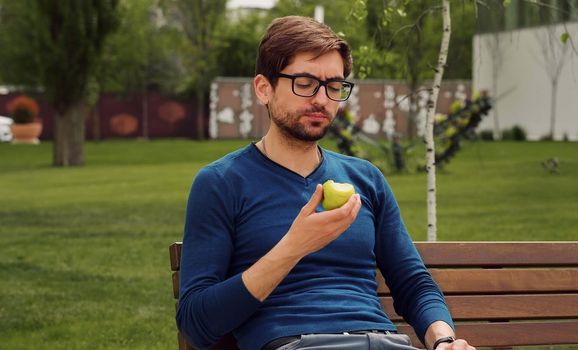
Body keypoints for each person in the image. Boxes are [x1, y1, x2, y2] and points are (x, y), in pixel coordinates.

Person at [177, 16, 475, 350]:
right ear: (264, 88)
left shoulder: (366, 179)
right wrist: (294, 247)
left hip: (385, 342)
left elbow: (413, 284)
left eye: (334, 86)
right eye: (304, 83)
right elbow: (196, 322)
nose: (321, 99)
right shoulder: (221, 183)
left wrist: (443, 340)